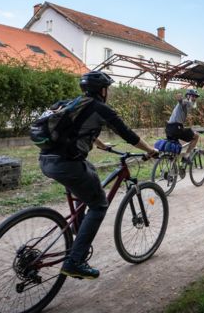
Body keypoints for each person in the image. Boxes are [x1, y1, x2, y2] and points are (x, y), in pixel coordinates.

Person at [39, 71, 158, 280]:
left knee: (90, 173)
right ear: (102, 91)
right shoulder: (99, 108)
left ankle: (79, 229)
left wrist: (101, 145)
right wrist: (150, 150)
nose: (108, 92)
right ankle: (74, 261)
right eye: (107, 89)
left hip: (47, 160)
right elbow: (128, 134)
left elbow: (74, 129)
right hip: (67, 164)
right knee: (99, 204)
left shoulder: (74, 103)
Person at [166, 89, 200, 164]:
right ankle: (186, 157)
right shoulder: (185, 102)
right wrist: (180, 98)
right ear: (188, 96)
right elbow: (181, 101)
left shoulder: (185, 107)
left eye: (196, 97)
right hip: (176, 128)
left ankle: (172, 168)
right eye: (193, 96)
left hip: (169, 128)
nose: (195, 98)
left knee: (177, 146)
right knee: (196, 136)